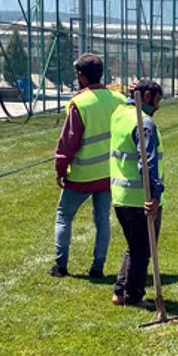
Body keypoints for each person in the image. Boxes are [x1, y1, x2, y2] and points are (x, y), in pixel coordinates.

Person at [51, 53, 126, 279]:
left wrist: (61, 169)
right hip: (108, 174)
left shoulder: (80, 103)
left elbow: (68, 142)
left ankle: (60, 266)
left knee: (64, 215)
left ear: (82, 77)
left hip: (81, 176)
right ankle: (97, 267)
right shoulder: (119, 100)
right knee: (102, 219)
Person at [109, 79, 166, 306]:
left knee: (135, 246)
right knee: (142, 250)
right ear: (148, 97)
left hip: (120, 196)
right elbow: (148, 164)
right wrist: (154, 196)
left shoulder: (119, 114)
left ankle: (120, 291)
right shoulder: (145, 124)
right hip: (140, 198)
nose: (158, 106)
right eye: (158, 100)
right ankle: (133, 296)